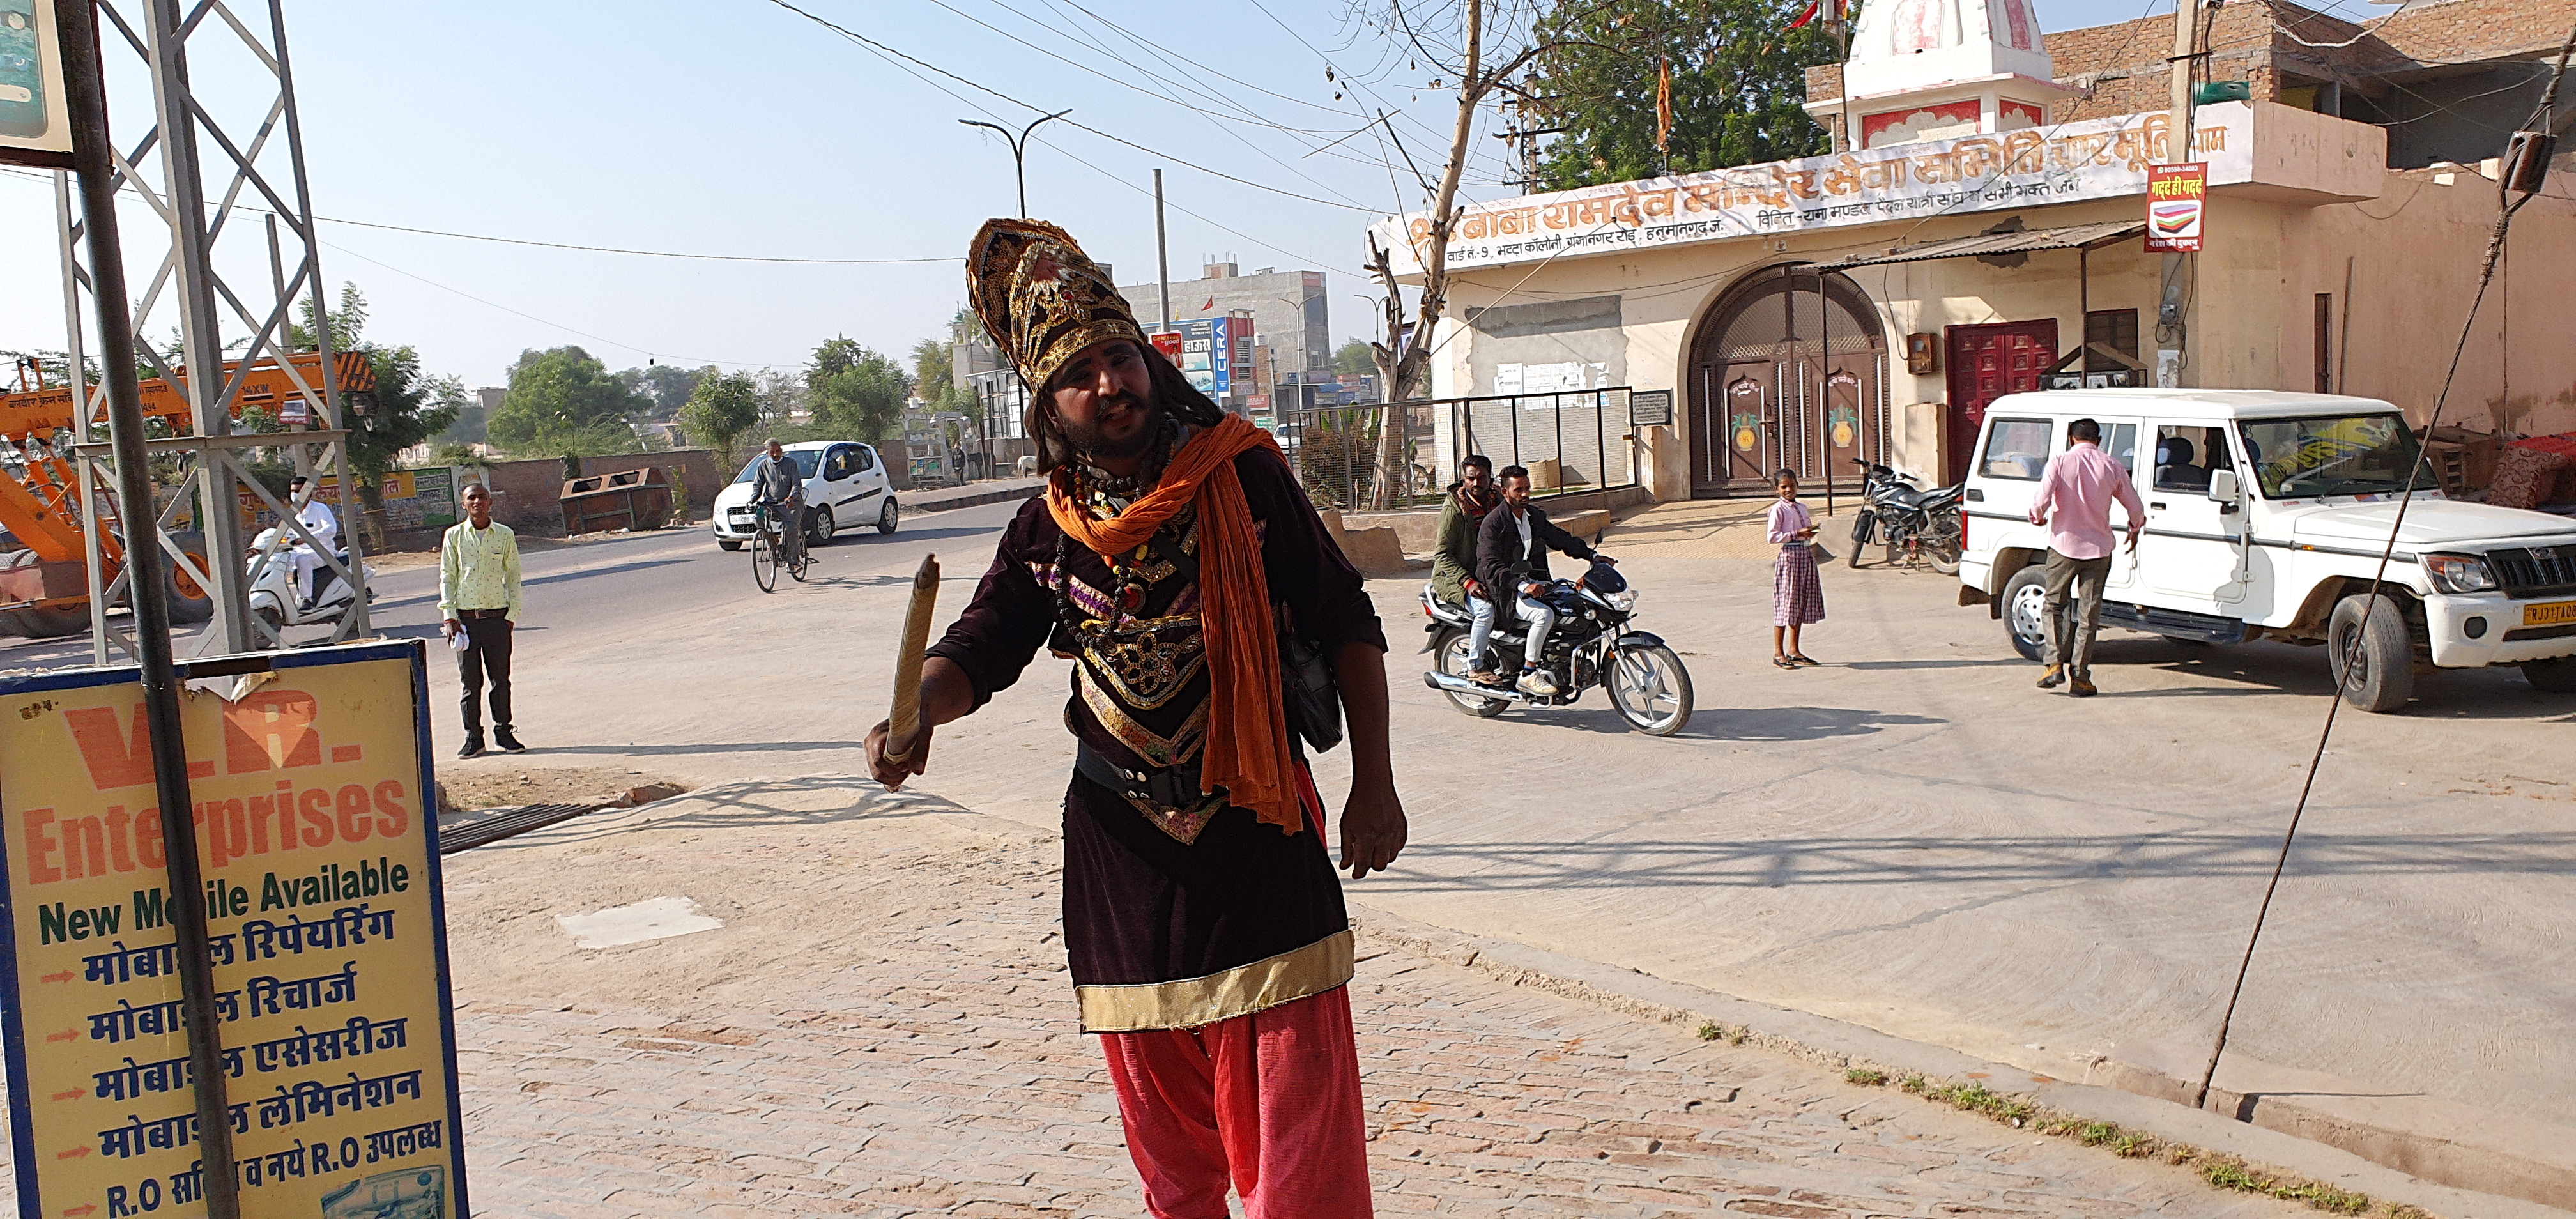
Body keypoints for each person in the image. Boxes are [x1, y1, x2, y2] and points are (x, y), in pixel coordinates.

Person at [866, 218, 1406, 1219]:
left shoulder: (1240, 475)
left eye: (1120, 358)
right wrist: (914, 712)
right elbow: (984, 646)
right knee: (1173, 1168)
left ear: (1149, 365)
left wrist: (1375, 781)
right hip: (1121, 873)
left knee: (1304, 1159)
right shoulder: (1045, 531)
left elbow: (1345, 620)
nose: (1109, 384)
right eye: (1081, 374)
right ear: (1048, 406)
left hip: (1259, 844)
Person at [2027, 417, 2145, 697]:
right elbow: (2136, 507)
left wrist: (2038, 517)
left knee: (2054, 606)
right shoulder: (2112, 465)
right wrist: (2134, 529)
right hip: (2099, 551)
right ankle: (2080, 677)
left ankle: (2054, 664)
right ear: (2099, 440)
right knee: (2088, 615)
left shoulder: (2059, 462)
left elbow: (2040, 500)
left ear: (2071, 438)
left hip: (2063, 547)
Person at [1475, 465, 1606, 697]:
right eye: (1518, 490)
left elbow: (1561, 539)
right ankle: (1528, 673)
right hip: (1506, 590)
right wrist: (1523, 585)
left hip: (1538, 583)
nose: (1525, 494)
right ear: (1505, 493)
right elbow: (1490, 566)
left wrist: (1592, 556)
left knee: (1576, 605)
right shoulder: (1493, 524)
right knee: (1543, 615)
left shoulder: (1534, 517)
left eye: (1527, 488)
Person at [438, 483, 525, 757]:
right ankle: (473, 738)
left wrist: (511, 616)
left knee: (501, 680)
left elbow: (513, 575)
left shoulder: (504, 535)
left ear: (491, 503)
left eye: (482, 497)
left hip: (497, 619)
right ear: (463, 504)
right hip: (465, 622)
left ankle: (504, 733)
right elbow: (447, 577)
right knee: (470, 683)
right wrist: (449, 617)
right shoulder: (454, 536)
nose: (477, 502)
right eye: (471, 498)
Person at [1430, 454, 1503, 680]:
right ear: (1464, 480)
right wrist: (1468, 582)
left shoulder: (1497, 502)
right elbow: (1442, 554)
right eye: (1471, 478)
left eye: (1482, 478)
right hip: (1455, 578)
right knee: (1485, 610)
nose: (1476, 483)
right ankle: (1475, 666)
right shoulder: (1455, 509)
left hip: (1488, 572)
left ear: (1491, 479)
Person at [1768, 468, 1825, 668]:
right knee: (1786, 605)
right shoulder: (1778, 510)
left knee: (1799, 605)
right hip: (1789, 558)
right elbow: (1772, 537)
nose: (1788, 490)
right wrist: (1795, 533)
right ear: (1777, 490)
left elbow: (1804, 530)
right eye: (1784, 487)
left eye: (1792, 486)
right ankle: (1778, 653)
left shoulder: (1802, 507)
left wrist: (1808, 533)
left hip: (1805, 555)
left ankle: (1794, 650)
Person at [286, 473, 340, 608]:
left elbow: (331, 529)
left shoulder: (320, 509)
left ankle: (306, 599)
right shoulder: (292, 513)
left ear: (308, 492)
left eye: (298, 491)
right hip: (297, 551)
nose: (295, 494)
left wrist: (309, 538)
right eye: (293, 491)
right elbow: (286, 533)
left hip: (321, 552)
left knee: (303, 560)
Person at [751, 438, 808, 567]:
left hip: (791, 504)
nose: (775, 455)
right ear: (768, 453)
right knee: (758, 519)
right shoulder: (763, 466)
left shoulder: (791, 464)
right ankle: (773, 543)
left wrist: (791, 497)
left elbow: (797, 484)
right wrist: (753, 499)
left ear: (781, 451)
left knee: (791, 529)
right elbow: (757, 486)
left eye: (778, 451)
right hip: (771, 504)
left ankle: (793, 561)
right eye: (772, 452)